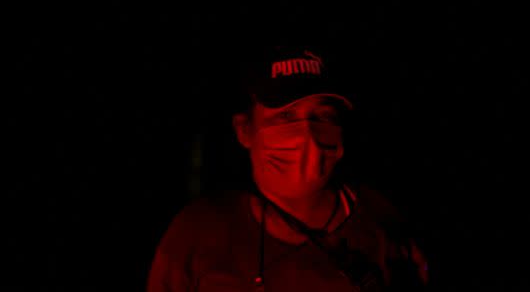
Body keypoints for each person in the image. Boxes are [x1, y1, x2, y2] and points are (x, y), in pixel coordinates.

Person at [146, 45, 429, 291]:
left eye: (323, 115)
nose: (306, 134)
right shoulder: (198, 232)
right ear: (244, 130)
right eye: (286, 115)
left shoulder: (382, 223)